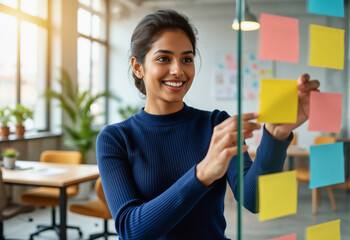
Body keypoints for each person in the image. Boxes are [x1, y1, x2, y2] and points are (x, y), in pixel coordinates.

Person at [96, 9, 320, 240]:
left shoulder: (216, 123)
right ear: (138, 67)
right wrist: (202, 173)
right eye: (163, 58)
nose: (178, 70)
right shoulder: (115, 138)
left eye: (186, 59)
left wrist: (275, 133)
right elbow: (131, 230)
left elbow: (255, 200)